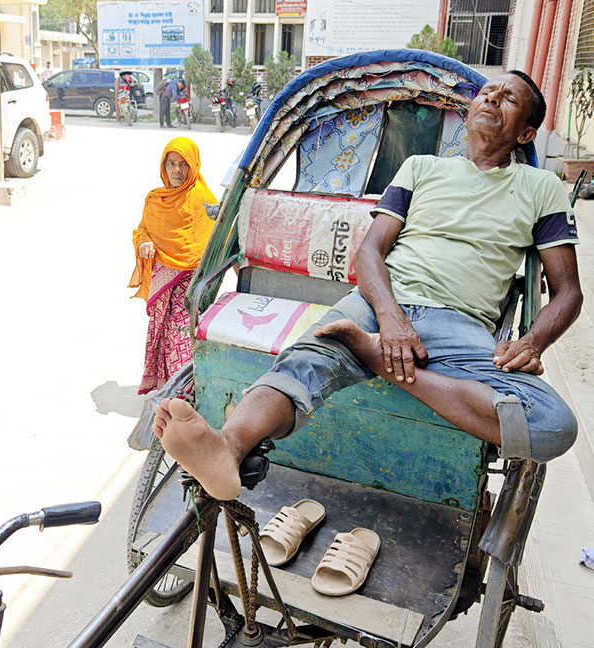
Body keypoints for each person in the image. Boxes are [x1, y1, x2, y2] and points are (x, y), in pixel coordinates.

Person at [154, 71, 583, 501]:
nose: (491, 100)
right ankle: (226, 447)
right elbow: (370, 252)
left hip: (462, 326)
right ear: (471, 108)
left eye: (507, 99)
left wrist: (534, 341)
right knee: (304, 359)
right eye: (487, 92)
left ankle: (374, 358)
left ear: (526, 132)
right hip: (381, 305)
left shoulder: (541, 186)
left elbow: (568, 292)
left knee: (553, 424)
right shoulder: (421, 168)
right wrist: (390, 319)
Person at [131, 137, 217, 394]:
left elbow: (222, 238)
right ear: (163, 166)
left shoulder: (202, 198)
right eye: (171, 163)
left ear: (194, 166)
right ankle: (166, 388)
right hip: (162, 281)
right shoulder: (155, 199)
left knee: (180, 336)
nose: (177, 170)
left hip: (189, 286)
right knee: (160, 333)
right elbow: (142, 230)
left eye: (183, 164)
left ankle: (184, 394)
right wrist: (145, 242)